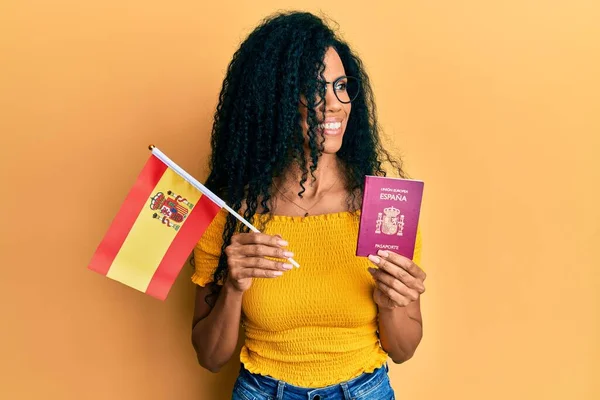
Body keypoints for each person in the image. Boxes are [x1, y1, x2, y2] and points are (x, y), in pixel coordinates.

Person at [191, 11, 426, 400]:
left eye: (340, 86)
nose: (334, 105)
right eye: (313, 89)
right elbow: (211, 358)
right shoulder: (230, 213)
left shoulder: (385, 206)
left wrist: (391, 304)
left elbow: (403, 350)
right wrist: (233, 287)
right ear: (274, 101)